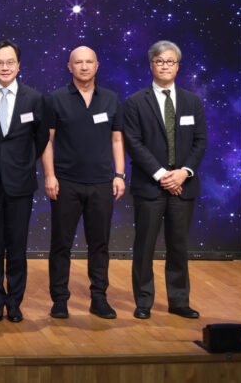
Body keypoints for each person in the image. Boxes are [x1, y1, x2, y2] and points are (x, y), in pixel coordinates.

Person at [123, 40, 207, 320]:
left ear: (178, 66)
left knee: (179, 246)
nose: (165, 66)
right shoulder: (135, 102)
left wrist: (184, 172)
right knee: (145, 245)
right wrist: (162, 175)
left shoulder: (192, 101)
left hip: (183, 185)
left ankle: (179, 301)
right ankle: (144, 301)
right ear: (151, 65)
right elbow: (133, 143)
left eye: (170, 61)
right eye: (160, 61)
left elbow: (200, 141)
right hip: (150, 186)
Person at [42, 45, 125, 320]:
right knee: (61, 244)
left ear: (97, 65)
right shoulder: (56, 99)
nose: (84, 67)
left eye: (89, 61)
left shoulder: (111, 99)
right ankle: (60, 299)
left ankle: (99, 298)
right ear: (70, 67)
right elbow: (47, 141)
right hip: (66, 182)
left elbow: (116, 139)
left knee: (99, 244)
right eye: (78, 62)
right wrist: (50, 175)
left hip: (102, 182)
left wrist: (120, 174)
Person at [0, 39, 48, 323]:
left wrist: (23, 163)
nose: (5, 67)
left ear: (18, 65)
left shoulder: (34, 98)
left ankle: (14, 302)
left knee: (17, 246)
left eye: (10, 62)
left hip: (20, 184)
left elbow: (40, 139)